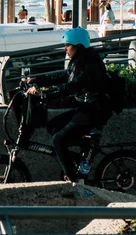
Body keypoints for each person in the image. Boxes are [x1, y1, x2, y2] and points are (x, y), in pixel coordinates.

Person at [26, 27, 112, 182]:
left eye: (68, 45)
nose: (65, 48)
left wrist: (45, 94)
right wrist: (37, 80)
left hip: (96, 109)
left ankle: (73, 180)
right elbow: (63, 76)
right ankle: (83, 153)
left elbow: (72, 86)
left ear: (78, 46)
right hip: (87, 107)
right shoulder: (78, 62)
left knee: (58, 140)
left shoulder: (90, 65)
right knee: (53, 126)